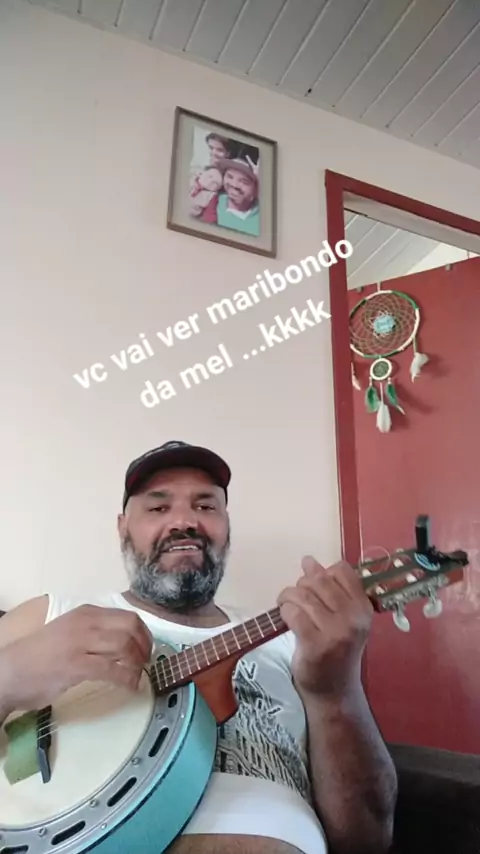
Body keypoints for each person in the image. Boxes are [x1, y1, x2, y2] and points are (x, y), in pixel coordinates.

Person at [0, 440, 397, 854]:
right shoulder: (52, 614)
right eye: (158, 507)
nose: (184, 521)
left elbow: (367, 838)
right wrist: (9, 676)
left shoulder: (303, 643)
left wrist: (335, 691)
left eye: (206, 506)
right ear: (123, 527)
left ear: (226, 525)